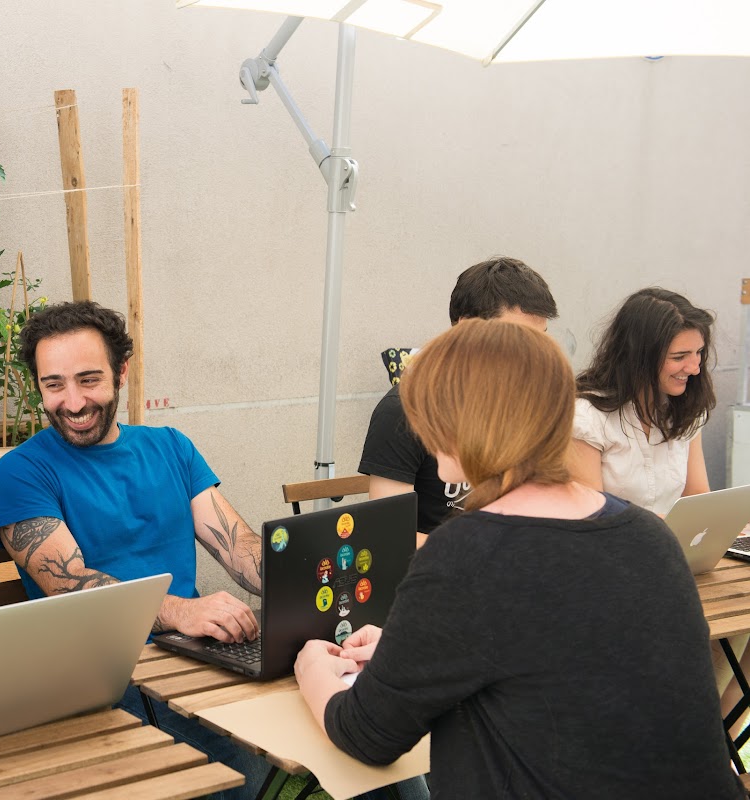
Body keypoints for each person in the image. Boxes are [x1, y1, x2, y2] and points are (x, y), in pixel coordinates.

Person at [294, 319, 741, 799]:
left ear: (459, 423)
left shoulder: (466, 553)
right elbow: (550, 655)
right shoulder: (648, 535)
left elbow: (368, 733)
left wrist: (312, 668)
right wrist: (410, 650)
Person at [0, 300, 267, 799]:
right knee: (232, 778)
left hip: (193, 658)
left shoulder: (170, 446)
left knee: (360, 720)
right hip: (99, 674)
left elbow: (237, 547)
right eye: (54, 385)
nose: (73, 402)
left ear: (121, 373)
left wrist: (311, 585)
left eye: (89, 380)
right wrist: (182, 611)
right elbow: (72, 587)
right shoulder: (21, 472)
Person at [358, 256, 558, 545]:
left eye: (540, 340)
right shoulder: (404, 410)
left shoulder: (526, 402)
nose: (532, 355)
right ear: (466, 329)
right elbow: (388, 535)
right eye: (517, 338)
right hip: (439, 564)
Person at [572, 286, 715, 516]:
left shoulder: (687, 407)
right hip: (616, 540)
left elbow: (697, 497)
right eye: (679, 357)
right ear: (639, 356)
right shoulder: (586, 417)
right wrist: (663, 525)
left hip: (671, 538)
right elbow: (592, 516)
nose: (694, 368)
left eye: (698, 352)